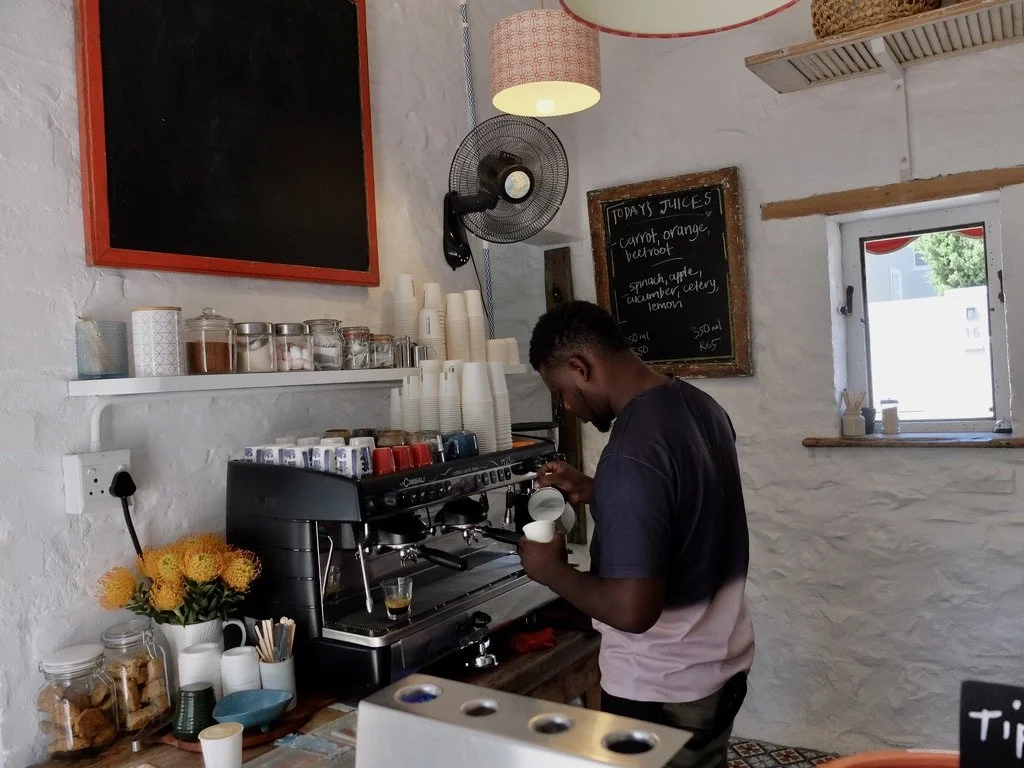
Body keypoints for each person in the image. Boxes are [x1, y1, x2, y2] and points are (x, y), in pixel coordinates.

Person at [519, 300, 754, 768]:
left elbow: (633, 610)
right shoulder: (700, 406)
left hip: (660, 688)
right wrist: (594, 489)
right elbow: (688, 506)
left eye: (562, 392)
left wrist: (552, 570)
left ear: (580, 367)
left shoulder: (630, 453)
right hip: (722, 665)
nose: (568, 406)